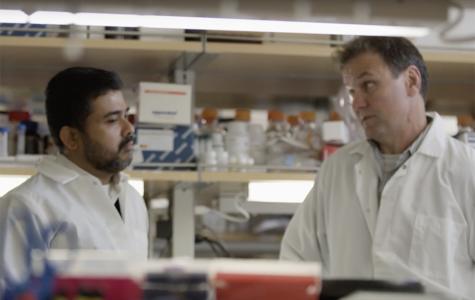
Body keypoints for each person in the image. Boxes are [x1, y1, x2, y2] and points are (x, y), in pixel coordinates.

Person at [280, 37, 475, 299]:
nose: (357, 103)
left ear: (411, 81)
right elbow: (296, 262)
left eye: (368, 85)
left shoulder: (466, 169)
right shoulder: (337, 169)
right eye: (352, 92)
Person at [0, 67, 148, 290]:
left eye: (126, 116)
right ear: (71, 137)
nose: (129, 129)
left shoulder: (133, 199)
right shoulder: (26, 205)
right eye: (112, 120)